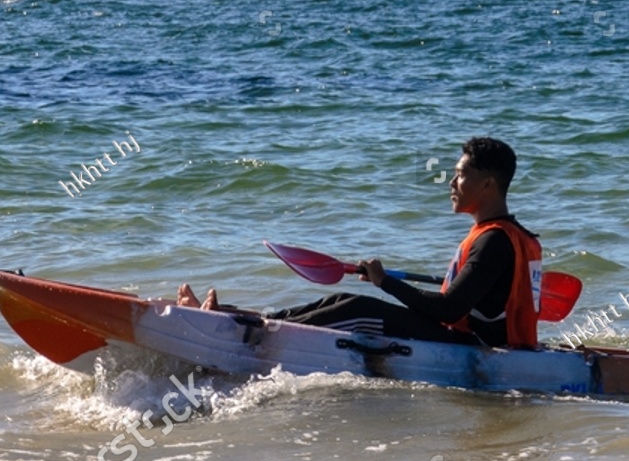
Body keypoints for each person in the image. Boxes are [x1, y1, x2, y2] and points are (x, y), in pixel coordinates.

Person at [178, 136, 544, 348]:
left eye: (461, 175)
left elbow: (448, 310)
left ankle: (237, 335)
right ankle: (235, 318)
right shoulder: (505, 236)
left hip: (476, 350)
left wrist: (386, 282)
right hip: (470, 340)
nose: (451, 183)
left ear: (488, 185)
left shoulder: (494, 241)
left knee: (358, 308)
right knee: (340, 299)